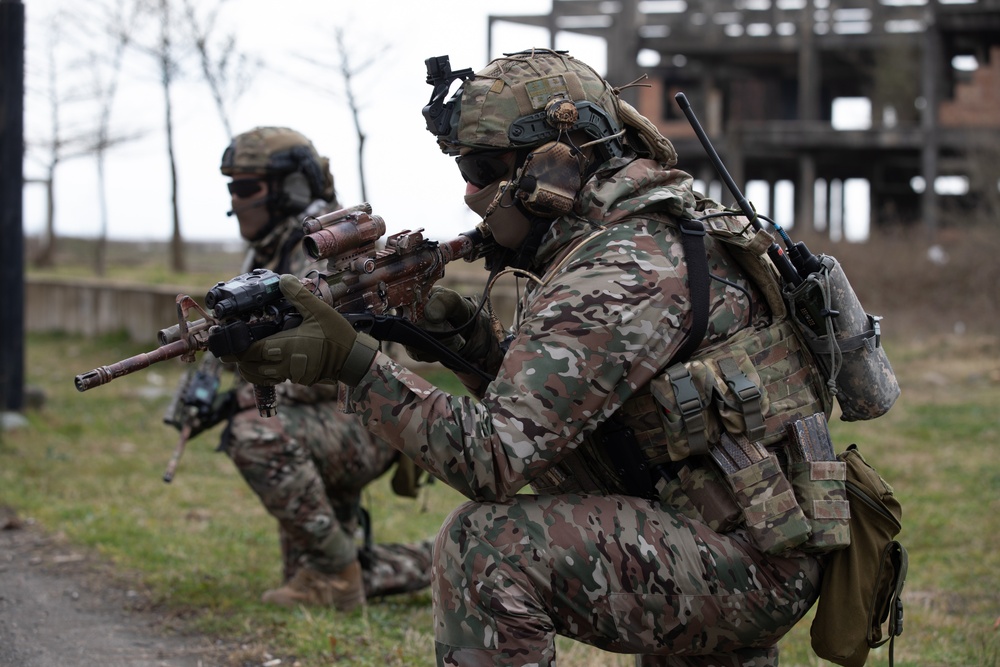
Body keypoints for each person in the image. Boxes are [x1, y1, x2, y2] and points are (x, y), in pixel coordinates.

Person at [222, 53, 842, 665]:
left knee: (483, 546)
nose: (469, 194)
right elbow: (563, 403)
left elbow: (493, 459)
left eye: (482, 168)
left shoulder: (622, 265)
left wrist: (353, 363)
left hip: (749, 558)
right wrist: (465, 341)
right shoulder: (643, 228)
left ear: (558, 164)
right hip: (741, 527)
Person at [182, 126, 434, 611]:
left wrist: (237, 400)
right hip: (335, 417)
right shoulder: (269, 252)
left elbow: (343, 362)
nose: (236, 200)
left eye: (247, 187)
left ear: (289, 188)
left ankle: (340, 575)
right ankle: (438, 559)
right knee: (306, 578)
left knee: (255, 434)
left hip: (365, 415)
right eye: (231, 187)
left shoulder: (321, 250)